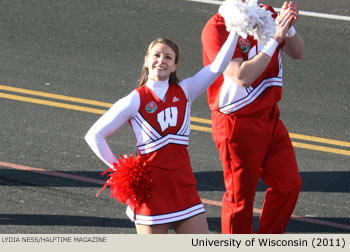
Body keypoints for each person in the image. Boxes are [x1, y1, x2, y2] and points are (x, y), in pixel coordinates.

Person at [85, 29, 240, 233]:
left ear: (175, 66)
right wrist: (122, 171)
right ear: (147, 61)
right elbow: (94, 135)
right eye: (156, 55)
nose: (161, 60)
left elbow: (219, 66)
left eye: (168, 57)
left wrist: (237, 27)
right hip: (151, 192)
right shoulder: (135, 99)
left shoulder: (186, 91)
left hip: (183, 187)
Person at [201, 0, 305, 233]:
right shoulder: (217, 27)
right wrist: (275, 39)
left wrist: (289, 27)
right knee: (241, 199)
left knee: (289, 184)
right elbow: (241, 76)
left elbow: (298, 52)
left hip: (269, 115)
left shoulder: (266, 12)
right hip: (237, 122)